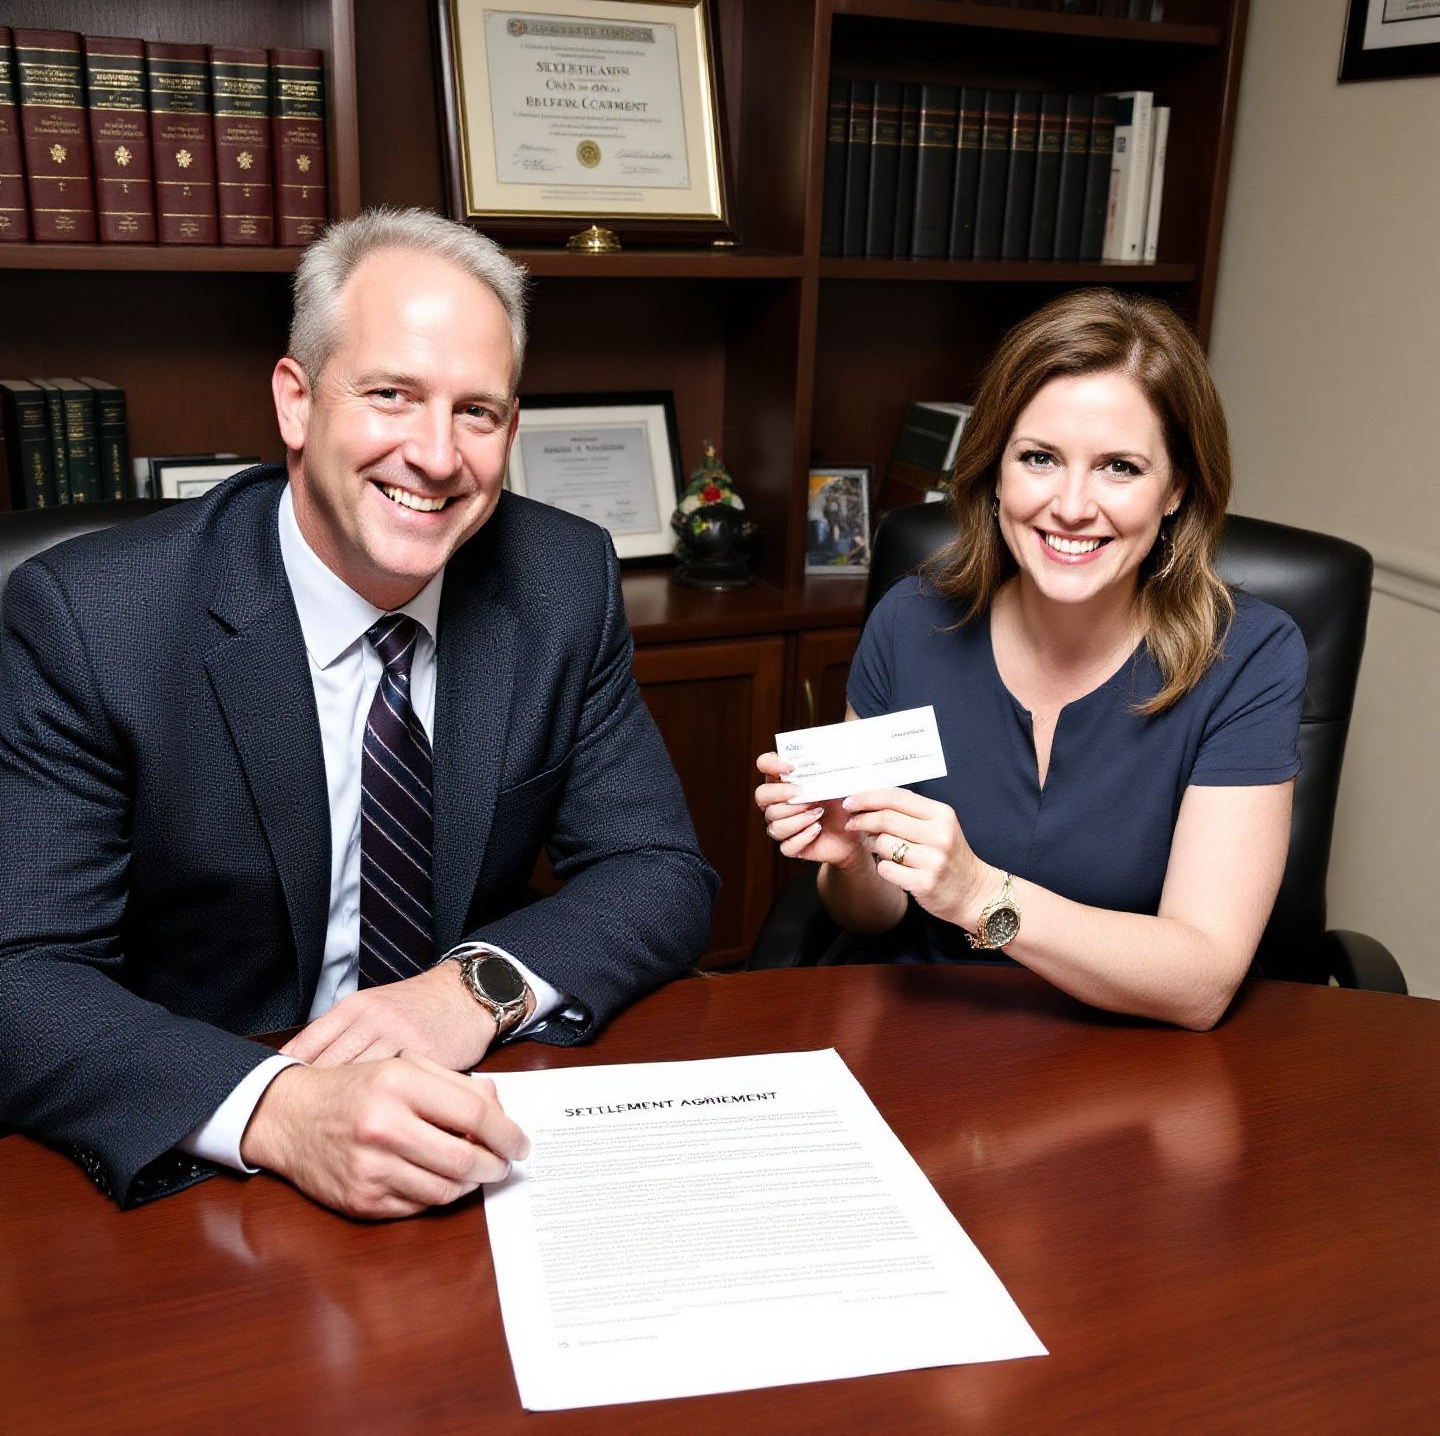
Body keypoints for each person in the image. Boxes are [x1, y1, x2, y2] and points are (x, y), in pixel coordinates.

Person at [0, 207, 717, 1216]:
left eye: (478, 412)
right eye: (392, 395)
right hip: (208, 1148)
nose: (435, 455)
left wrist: (473, 990)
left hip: (468, 1127)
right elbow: (22, 976)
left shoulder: (562, 579)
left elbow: (659, 871)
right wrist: (284, 1111)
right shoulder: (92, 621)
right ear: (296, 403)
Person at [754, 289, 1305, 1031]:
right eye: (1040, 458)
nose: (1072, 506)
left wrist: (981, 894)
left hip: (1140, 1065)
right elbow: (876, 916)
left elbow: (1200, 981)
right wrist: (850, 862)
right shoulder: (910, 624)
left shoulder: (1248, 657)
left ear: (1176, 489)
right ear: (994, 470)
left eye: (1119, 467)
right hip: (928, 1038)